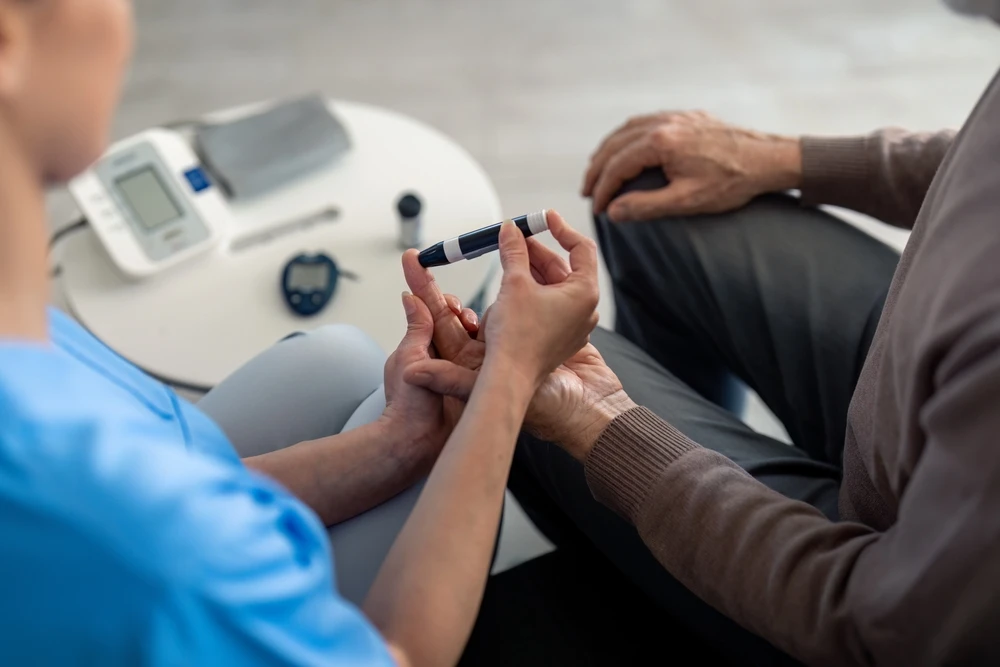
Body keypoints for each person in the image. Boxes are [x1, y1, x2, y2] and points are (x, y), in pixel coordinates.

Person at [0, 1, 603, 665]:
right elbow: (399, 654)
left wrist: (393, 445)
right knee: (439, 424)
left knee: (341, 361)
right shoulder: (132, 534)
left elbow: (189, 480)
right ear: (7, 45)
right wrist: (510, 377)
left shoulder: (35, 361)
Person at [402, 2, 1000, 665]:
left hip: (867, 585)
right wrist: (790, 159)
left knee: (510, 381)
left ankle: (656, 580)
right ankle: (692, 489)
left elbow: (886, 633)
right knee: (650, 192)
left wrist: (600, 424)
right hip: (925, 385)